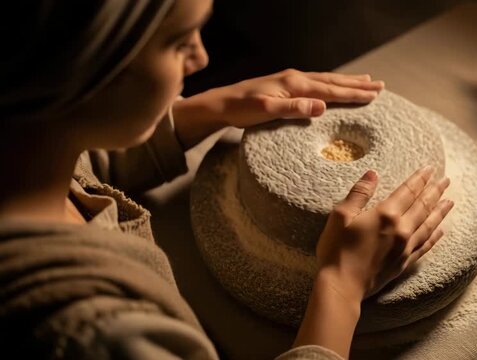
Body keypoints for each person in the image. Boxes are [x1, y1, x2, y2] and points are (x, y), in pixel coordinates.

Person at [0, 0, 453, 359]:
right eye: (179, 42)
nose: (201, 58)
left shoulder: (25, 152)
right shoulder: (94, 335)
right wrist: (341, 285)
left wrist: (200, 112)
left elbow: (81, 163)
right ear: (84, 65)